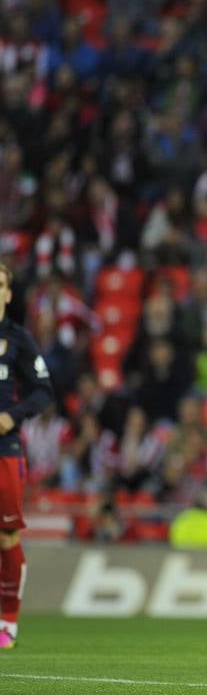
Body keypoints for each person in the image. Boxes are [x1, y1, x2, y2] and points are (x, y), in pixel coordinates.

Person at [0, 261, 54, 651]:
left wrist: (11, 416)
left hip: (4, 448)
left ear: (7, 293)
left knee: (7, 534)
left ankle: (8, 623)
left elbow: (42, 391)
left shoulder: (18, 340)